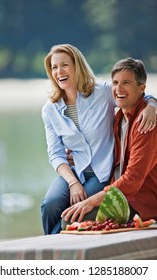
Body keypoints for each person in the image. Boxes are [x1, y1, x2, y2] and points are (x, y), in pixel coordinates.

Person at [41, 44, 156, 234]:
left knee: (69, 216)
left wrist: (152, 104)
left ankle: (59, 250)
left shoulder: (101, 92)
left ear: (77, 66)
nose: (59, 71)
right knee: (50, 205)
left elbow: (134, 92)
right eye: (54, 67)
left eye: (65, 65)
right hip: (74, 171)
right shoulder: (50, 109)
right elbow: (55, 153)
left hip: (101, 172)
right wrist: (73, 183)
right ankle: (50, 247)